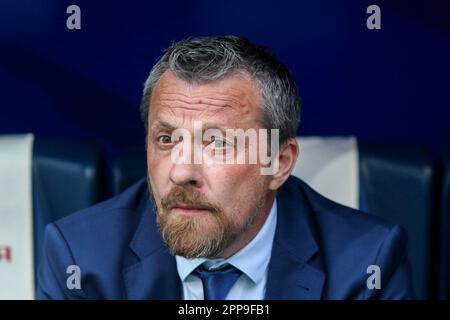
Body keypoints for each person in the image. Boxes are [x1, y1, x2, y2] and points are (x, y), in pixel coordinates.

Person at [37, 36, 413, 300]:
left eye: (217, 143)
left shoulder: (367, 264)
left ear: (278, 163)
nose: (181, 172)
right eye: (166, 139)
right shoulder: (79, 257)